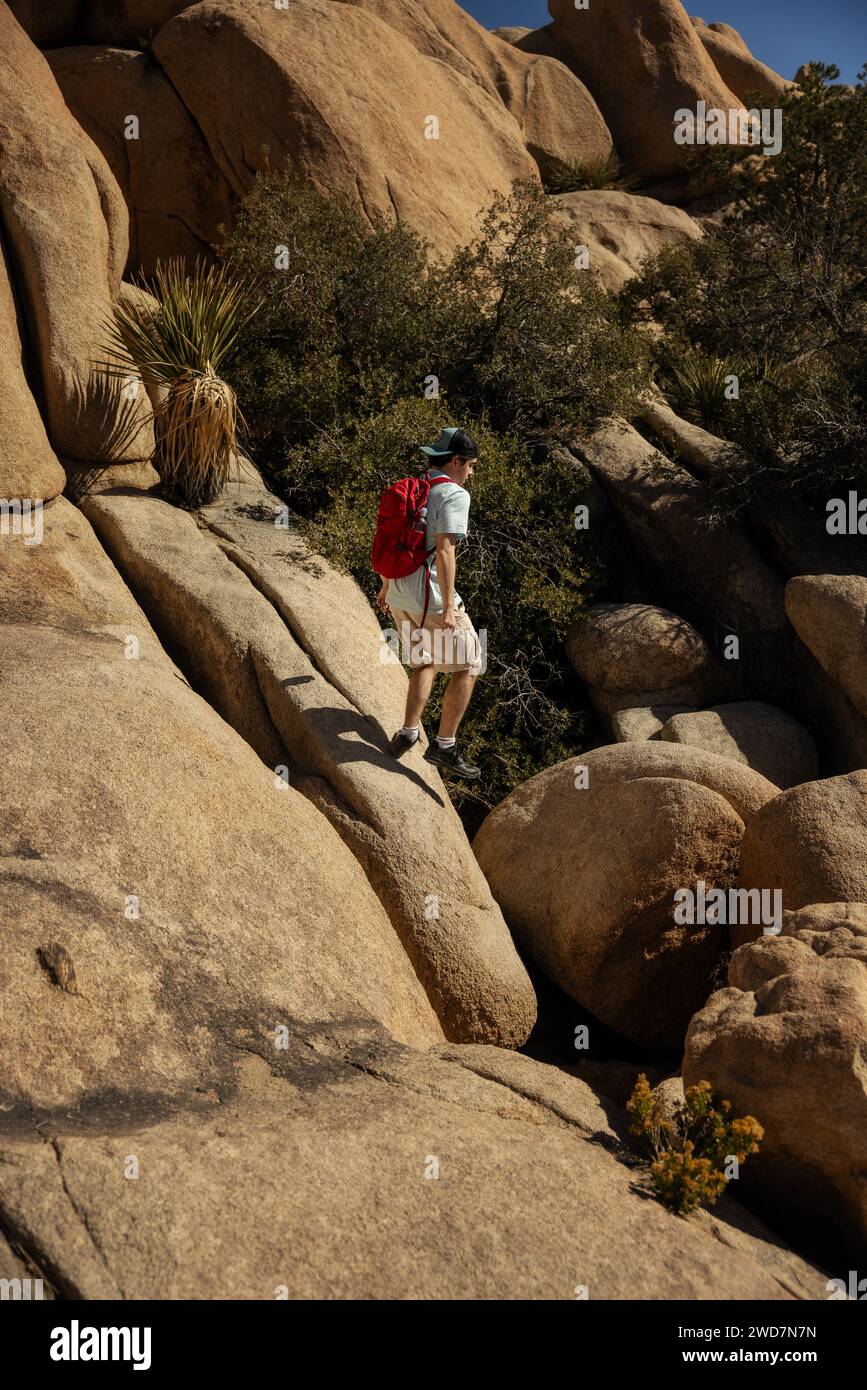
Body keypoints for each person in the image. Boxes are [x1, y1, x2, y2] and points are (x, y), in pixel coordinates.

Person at [377, 427, 483, 782]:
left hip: (399, 592)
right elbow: (444, 550)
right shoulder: (454, 494)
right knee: (470, 663)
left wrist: (386, 584)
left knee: (425, 661)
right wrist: (450, 607)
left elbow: (393, 540)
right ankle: (445, 745)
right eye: (469, 464)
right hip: (431, 599)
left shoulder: (414, 487)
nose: (471, 472)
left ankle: (408, 733)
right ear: (455, 461)